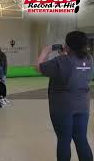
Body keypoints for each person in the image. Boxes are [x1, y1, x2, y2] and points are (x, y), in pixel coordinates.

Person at [36, 31, 93, 161]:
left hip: (62, 107)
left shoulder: (61, 61)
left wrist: (45, 51)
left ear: (68, 45)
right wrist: (65, 56)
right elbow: (74, 68)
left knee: (64, 139)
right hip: (83, 106)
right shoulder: (89, 59)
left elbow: (39, 67)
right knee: (81, 139)